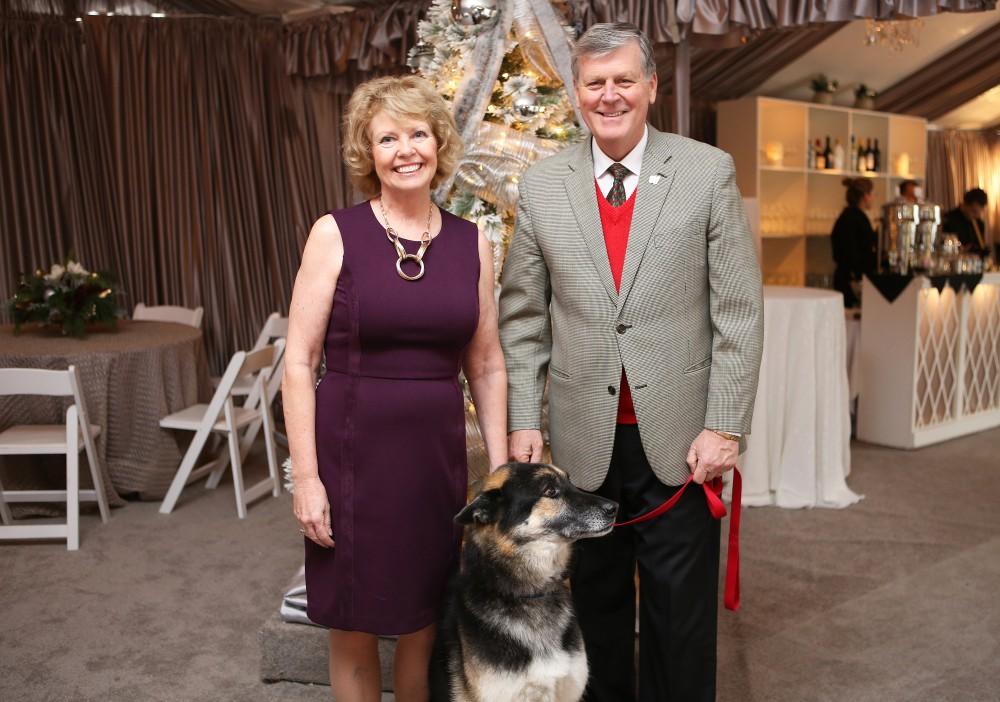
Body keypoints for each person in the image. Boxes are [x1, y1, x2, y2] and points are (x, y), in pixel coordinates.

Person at [498, 22, 763, 702]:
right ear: (576, 95)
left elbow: (737, 311)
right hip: (583, 442)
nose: (609, 96)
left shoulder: (707, 171)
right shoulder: (543, 185)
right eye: (594, 84)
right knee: (593, 616)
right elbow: (524, 317)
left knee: (680, 621)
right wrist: (525, 419)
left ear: (649, 86)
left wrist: (725, 427)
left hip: (682, 442)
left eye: (623, 80)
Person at [283, 75, 507, 702]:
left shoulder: (473, 243)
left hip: (434, 462)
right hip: (351, 455)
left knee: (423, 619)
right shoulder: (336, 233)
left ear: (439, 144)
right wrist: (306, 478)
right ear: (368, 153)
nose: (406, 149)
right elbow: (297, 362)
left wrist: (497, 473)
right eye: (388, 137)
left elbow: (486, 365)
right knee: (353, 620)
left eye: (418, 134)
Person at [831, 177, 878, 309]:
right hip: (851, 282)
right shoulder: (856, 218)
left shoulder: (847, 216)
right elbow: (854, 254)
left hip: (844, 278)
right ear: (865, 196)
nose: (873, 198)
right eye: (872, 194)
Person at [942, 188, 989, 256]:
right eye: (974, 211)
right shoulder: (949, 219)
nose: (977, 216)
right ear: (965, 205)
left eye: (979, 212)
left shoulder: (979, 223)